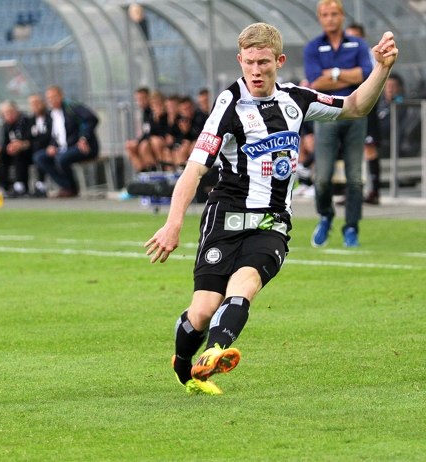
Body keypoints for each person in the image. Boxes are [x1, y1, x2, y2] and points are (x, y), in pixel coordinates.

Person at [145, 22, 398, 395]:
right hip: (225, 218)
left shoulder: (296, 100)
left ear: (278, 61)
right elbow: (194, 170)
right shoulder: (228, 106)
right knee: (201, 311)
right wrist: (172, 224)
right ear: (240, 60)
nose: (256, 70)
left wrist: (381, 68)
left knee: (243, 287)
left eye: (263, 62)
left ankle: (214, 353)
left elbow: (356, 106)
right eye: (249, 62)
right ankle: (184, 367)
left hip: (271, 222)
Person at [303, 0, 374, 247]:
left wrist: (330, 74)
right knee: (322, 177)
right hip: (327, 114)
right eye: (325, 14)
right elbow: (315, 82)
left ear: (342, 16)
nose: (330, 18)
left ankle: (351, 228)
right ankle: (326, 215)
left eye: (334, 13)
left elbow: (365, 75)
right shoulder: (313, 47)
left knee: (355, 178)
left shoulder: (358, 44)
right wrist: (345, 74)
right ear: (319, 18)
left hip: (355, 114)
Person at [33, 85, 100, 198]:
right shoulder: (51, 114)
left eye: (55, 97)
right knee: (40, 157)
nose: (52, 100)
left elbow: (92, 119)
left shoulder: (72, 107)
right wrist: (52, 145)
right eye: (49, 98)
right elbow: (55, 134)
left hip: (84, 147)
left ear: (61, 96)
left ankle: (72, 188)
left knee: (62, 158)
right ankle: (66, 185)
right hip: (64, 148)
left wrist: (84, 139)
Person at [345, 22, 381, 205]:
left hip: (367, 105)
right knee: (350, 147)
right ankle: (352, 192)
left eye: (356, 37)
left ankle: (374, 190)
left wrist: (342, 76)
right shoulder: (344, 55)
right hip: (349, 105)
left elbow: (366, 77)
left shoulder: (369, 55)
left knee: (369, 146)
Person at [0, 101, 32, 198]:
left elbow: (33, 139)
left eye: (11, 112)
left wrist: (22, 144)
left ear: (16, 111)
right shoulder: (7, 126)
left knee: (19, 153)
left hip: (27, 152)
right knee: (2, 156)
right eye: (6, 113)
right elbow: (5, 143)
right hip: (13, 153)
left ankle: (21, 185)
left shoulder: (26, 121)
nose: (9, 115)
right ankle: (4, 186)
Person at [26, 93, 53, 198]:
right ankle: (20, 186)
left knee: (39, 153)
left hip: (48, 149)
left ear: (43, 103)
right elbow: (28, 137)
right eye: (32, 104)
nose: (35, 106)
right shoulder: (30, 120)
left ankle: (41, 185)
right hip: (33, 150)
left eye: (37, 103)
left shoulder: (51, 117)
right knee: (21, 154)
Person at [125, 87, 156, 173]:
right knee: (130, 148)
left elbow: (152, 131)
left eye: (143, 98)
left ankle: (152, 171)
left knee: (144, 145)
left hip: (155, 139)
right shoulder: (145, 112)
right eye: (138, 99)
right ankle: (143, 172)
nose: (141, 102)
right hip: (148, 138)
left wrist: (138, 142)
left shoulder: (153, 111)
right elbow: (146, 131)